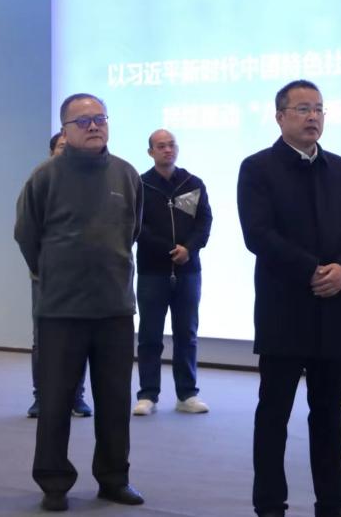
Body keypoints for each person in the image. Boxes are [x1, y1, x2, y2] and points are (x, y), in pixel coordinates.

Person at [237, 79, 341, 517]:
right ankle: (269, 504)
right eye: (302, 109)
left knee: (330, 413)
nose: (313, 117)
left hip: (335, 308)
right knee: (274, 413)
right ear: (280, 117)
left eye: (318, 109)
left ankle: (332, 502)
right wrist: (311, 269)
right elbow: (258, 234)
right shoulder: (257, 168)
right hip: (284, 309)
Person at [15, 94, 144, 512]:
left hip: (115, 308)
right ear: (65, 131)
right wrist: (52, 272)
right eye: (83, 121)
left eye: (100, 118)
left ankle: (114, 478)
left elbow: (132, 230)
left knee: (115, 401)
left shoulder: (126, 174)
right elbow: (27, 234)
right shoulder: (45, 176)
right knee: (55, 401)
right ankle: (54, 483)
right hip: (61, 310)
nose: (94, 126)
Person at [133, 129, 213, 416]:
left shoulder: (193, 183)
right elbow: (137, 226)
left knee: (186, 334)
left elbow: (204, 221)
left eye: (171, 145)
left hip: (188, 271)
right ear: (150, 152)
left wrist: (188, 249)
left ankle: (187, 394)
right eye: (161, 146)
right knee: (150, 335)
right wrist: (169, 249)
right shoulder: (140, 185)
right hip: (152, 272)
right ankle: (148, 395)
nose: (168, 150)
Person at [27, 132, 92, 419]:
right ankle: (41, 398)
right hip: (46, 275)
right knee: (43, 338)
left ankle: (76, 397)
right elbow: (26, 229)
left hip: (83, 275)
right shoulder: (41, 181)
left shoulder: (89, 183)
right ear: (52, 151)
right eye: (61, 147)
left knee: (80, 337)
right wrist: (39, 265)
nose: (67, 151)